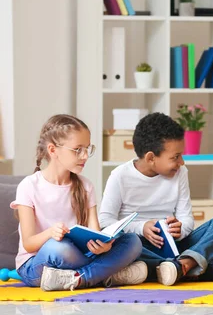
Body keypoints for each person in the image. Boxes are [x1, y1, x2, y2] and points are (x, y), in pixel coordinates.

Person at [100, 112, 213, 286]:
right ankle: (191, 267)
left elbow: (187, 218)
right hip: (137, 247)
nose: (181, 162)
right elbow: (106, 222)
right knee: (119, 243)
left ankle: (181, 266)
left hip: (176, 244)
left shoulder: (180, 173)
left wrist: (179, 229)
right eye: (175, 157)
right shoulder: (119, 176)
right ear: (151, 158)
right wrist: (141, 227)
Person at [12, 114, 144, 291]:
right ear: (53, 150)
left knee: (133, 241)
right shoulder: (29, 186)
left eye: (88, 149)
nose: (85, 156)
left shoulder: (86, 186)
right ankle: (104, 274)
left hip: (80, 256)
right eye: (77, 149)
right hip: (36, 265)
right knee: (59, 248)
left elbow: (95, 232)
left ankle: (78, 278)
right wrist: (51, 233)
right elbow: (29, 243)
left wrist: (102, 247)